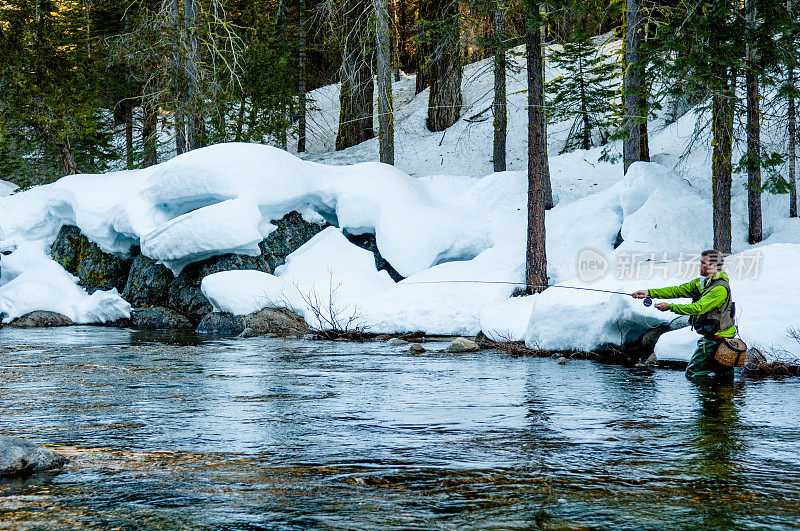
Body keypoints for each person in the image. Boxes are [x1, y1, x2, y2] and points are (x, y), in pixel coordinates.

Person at [631, 249, 736, 380]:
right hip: (713, 336)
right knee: (723, 376)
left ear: (714, 266)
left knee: (693, 372)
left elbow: (698, 308)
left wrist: (670, 307)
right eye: (700, 262)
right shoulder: (701, 283)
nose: (700, 265)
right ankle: (719, 398)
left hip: (718, 338)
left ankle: (708, 399)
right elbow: (677, 291)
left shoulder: (719, 289)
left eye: (704, 263)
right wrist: (649, 292)